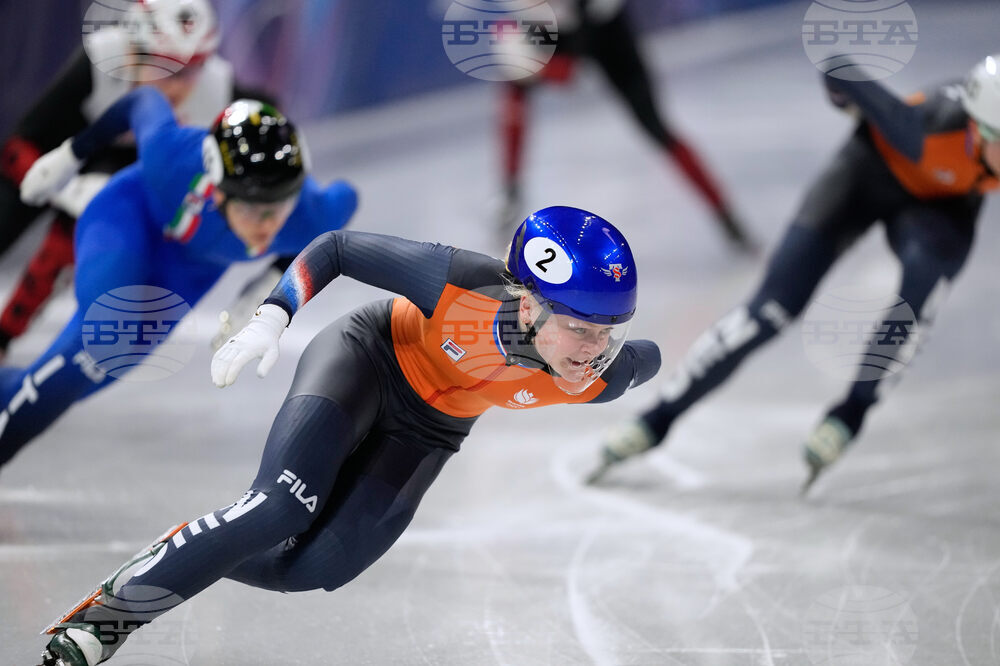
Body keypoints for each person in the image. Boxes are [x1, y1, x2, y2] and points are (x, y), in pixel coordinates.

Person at [36, 206, 660, 665]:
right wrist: (272, 316)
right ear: (529, 306)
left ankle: (190, 546)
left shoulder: (594, 376)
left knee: (309, 569)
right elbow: (336, 248)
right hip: (368, 358)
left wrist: (631, 360)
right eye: (582, 330)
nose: (595, 351)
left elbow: (648, 359)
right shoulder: (460, 285)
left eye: (609, 332)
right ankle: (105, 622)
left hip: (431, 430)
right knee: (280, 507)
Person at [587, 54, 1000, 490]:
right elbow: (837, 68)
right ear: (981, 128)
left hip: (940, 208)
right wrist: (847, 103)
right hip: (865, 179)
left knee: (924, 290)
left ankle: (850, 413)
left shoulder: (984, 136)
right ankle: (657, 417)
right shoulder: (925, 128)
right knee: (769, 311)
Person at [0, 86, 357, 469]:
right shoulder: (171, 157)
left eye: (281, 204)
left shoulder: (308, 213)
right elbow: (142, 101)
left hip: (185, 271)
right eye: (254, 209)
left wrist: (268, 279)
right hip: (126, 218)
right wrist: (72, 154)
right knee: (107, 335)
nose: (268, 224)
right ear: (218, 191)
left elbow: (347, 199)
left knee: (83, 374)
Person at [0, 0, 282, 358]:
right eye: (165, 68)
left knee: (77, 237)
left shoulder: (220, 90)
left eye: (191, 69)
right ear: (131, 50)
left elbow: (275, 131)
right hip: (74, 156)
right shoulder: (99, 64)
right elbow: (20, 148)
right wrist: (67, 188)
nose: (177, 88)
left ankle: (6, 337)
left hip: (140, 171)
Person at [497, 0, 754, 250]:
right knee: (515, 83)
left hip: (606, 29)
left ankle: (724, 214)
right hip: (561, 28)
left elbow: (569, 73)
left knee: (656, 128)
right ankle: (510, 190)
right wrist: (521, 58)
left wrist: (541, 67)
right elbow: (555, 67)